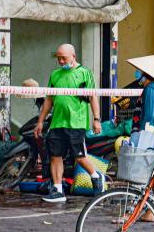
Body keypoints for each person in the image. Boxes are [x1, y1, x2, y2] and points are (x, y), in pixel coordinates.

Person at [34, 44, 103, 203]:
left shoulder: (85, 73)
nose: (60, 61)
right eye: (58, 58)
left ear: (73, 56)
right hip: (57, 123)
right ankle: (58, 190)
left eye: (63, 57)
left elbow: (93, 97)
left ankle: (95, 175)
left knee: (79, 157)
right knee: (55, 156)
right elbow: (49, 100)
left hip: (77, 123)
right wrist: (40, 121)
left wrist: (96, 119)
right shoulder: (55, 75)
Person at [127, 55, 154, 134]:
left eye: (139, 71)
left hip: (148, 134)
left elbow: (149, 114)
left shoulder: (150, 89)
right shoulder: (152, 88)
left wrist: (142, 131)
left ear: (146, 74)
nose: (137, 72)